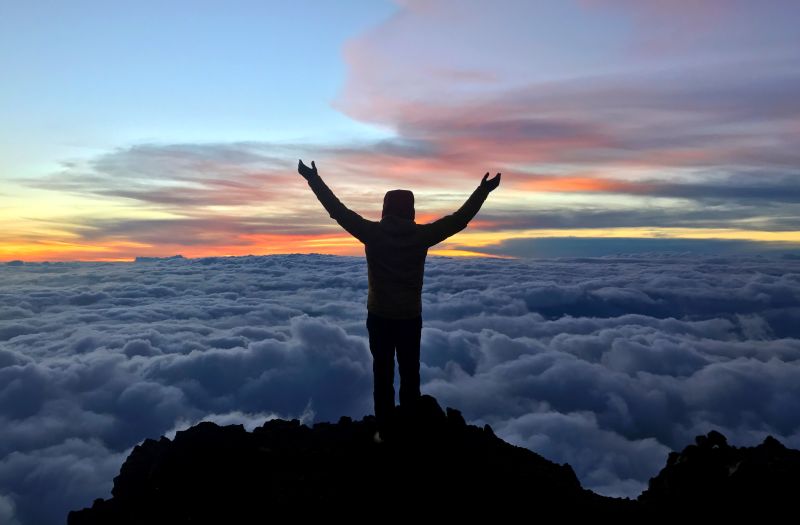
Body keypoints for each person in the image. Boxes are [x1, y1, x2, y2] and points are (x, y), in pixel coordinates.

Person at [298, 159, 500, 439]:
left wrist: (313, 179)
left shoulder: (372, 233)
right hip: (409, 318)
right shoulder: (421, 236)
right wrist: (483, 191)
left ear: (385, 208)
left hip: (379, 316)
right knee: (410, 376)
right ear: (411, 210)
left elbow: (337, 211)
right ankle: (410, 431)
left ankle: (386, 432)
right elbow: (459, 220)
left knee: (382, 376)